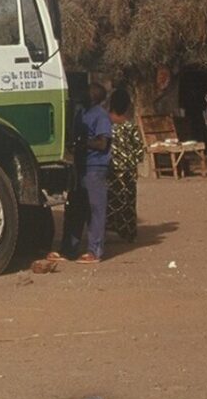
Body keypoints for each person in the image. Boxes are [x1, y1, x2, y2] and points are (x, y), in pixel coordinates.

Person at [53, 81, 112, 264]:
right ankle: (68, 250)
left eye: (88, 91)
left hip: (95, 167)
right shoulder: (81, 113)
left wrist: (82, 143)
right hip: (80, 167)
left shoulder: (101, 116)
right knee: (74, 208)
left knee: (95, 210)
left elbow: (103, 143)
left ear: (95, 96)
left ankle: (95, 252)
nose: (82, 93)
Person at [106, 87, 144, 244]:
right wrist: (136, 161)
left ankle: (109, 228)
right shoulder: (130, 125)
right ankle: (128, 232)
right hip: (128, 169)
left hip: (110, 168)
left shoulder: (105, 124)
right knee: (128, 200)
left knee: (110, 199)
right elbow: (138, 148)